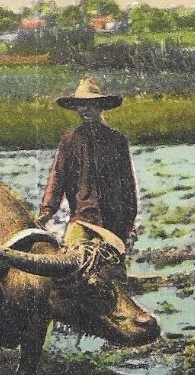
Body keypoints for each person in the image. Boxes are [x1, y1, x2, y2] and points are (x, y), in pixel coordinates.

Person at [38, 75, 139, 249]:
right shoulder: (69, 141)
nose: (86, 109)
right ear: (77, 108)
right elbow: (57, 178)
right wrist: (46, 212)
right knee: (72, 261)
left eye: (91, 105)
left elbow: (128, 185)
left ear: (100, 107)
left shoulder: (117, 140)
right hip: (82, 220)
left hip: (113, 223)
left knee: (112, 268)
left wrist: (128, 225)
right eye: (82, 105)